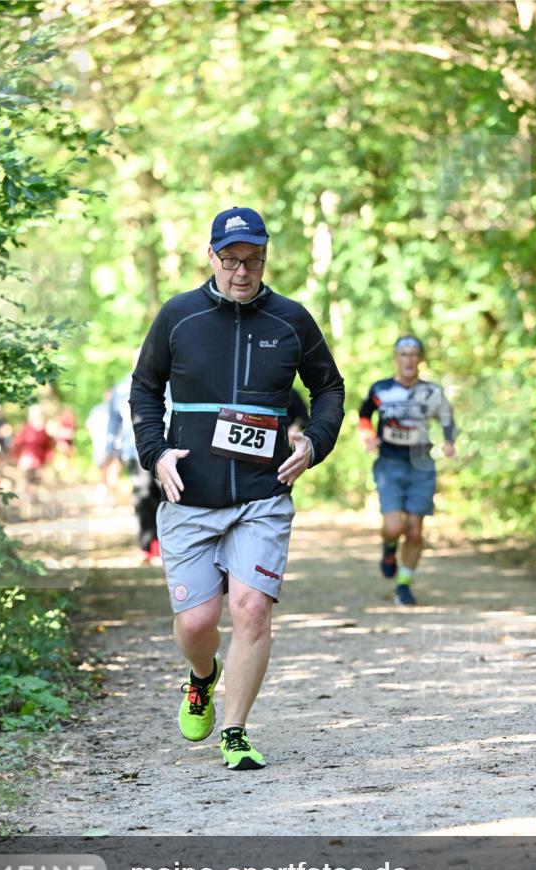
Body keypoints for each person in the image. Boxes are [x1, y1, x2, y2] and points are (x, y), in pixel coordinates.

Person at [130, 206, 344, 770]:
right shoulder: (178, 316)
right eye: (231, 260)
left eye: (253, 260)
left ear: (265, 259)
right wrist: (154, 453)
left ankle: (235, 730)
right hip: (189, 496)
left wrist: (314, 443)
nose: (242, 272)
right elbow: (145, 388)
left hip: (262, 494)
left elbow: (330, 388)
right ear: (212, 258)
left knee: (251, 610)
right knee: (198, 623)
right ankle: (203, 677)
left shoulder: (291, 321)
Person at [358, 335, 456, 606]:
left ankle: (404, 584)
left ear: (420, 359)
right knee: (394, 526)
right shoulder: (381, 389)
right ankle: (389, 548)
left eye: (414, 354)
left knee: (414, 530)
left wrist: (449, 441)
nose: (409, 359)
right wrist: (368, 436)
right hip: (389, 461)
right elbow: (364, 414)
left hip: (420, 461)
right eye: (404, 354)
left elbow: (447, 418)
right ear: (396, 358)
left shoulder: (431, 392)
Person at [107, 369, 163, 561]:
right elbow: (113, 422)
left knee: (166, 497)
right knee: (143, 496)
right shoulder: (122, 387)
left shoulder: (170, 382)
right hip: (134, 451)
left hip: (165, 451)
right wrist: (111, 451)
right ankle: (147, 546)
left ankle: (168, 545)